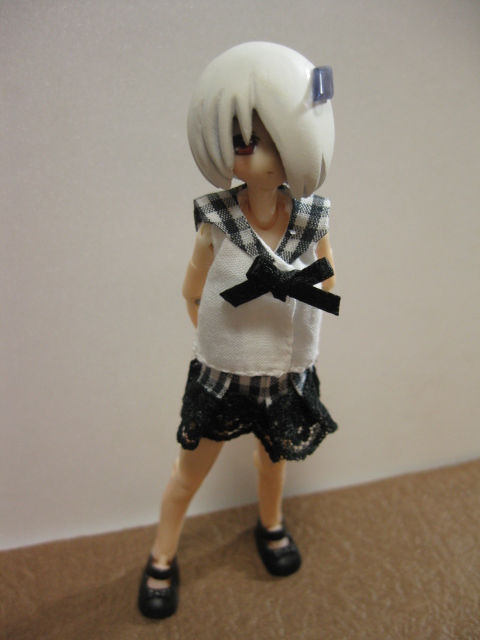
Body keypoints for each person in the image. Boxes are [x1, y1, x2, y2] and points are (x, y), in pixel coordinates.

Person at [138, 42, 340, 619]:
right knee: (190, 470)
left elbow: (327, 283)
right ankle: (161, 553)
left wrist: (292, 306)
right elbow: (192, 290)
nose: (260, 156)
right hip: (223, 374)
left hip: (284, 372)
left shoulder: (311, 220)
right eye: (245, 141)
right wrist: (218, 342)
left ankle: (270, 524)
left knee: (272, 462)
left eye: (276, 138)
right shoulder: (219, 221)